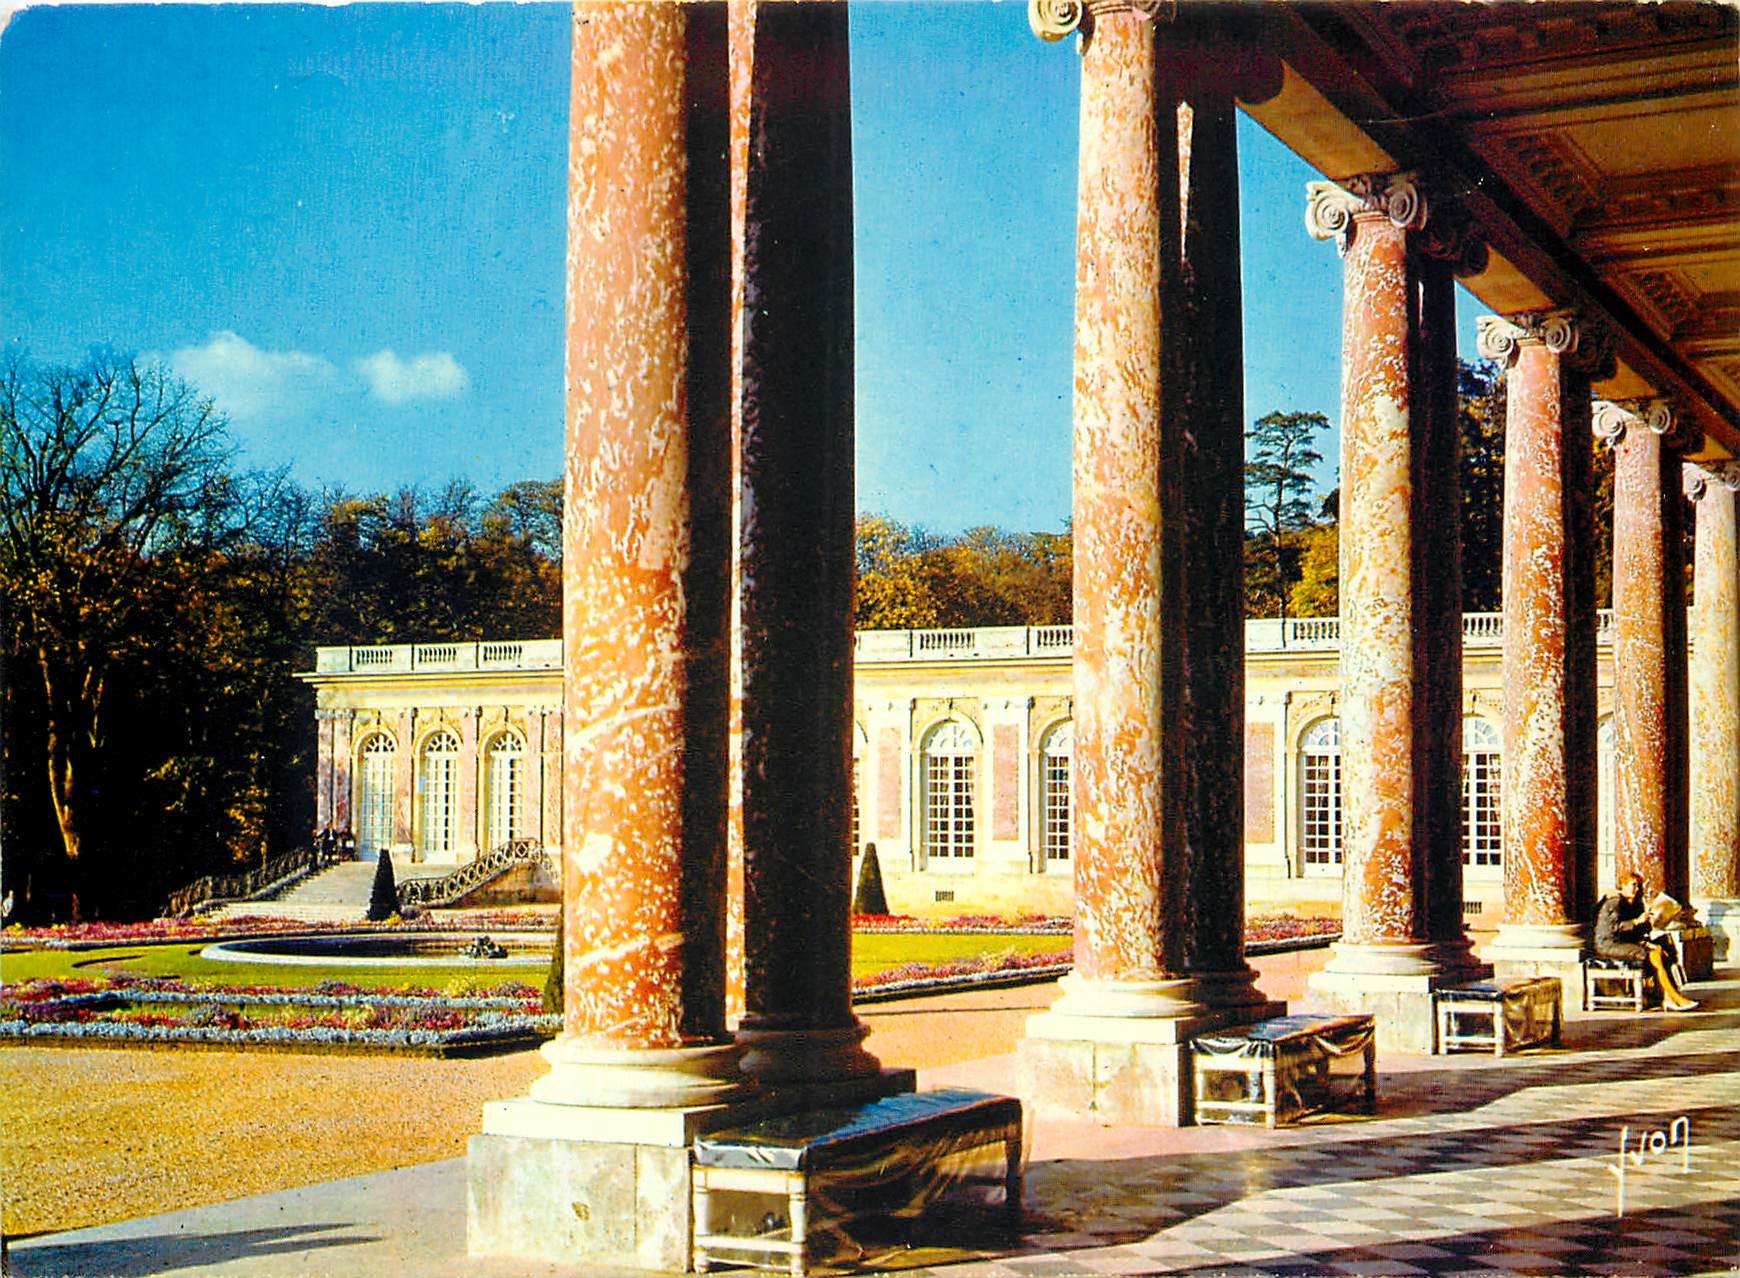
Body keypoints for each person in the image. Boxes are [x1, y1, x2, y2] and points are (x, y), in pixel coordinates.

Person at [1594, 872, 1697, 1011]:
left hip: (1624, 943)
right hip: (1609, 944)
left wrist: (1649, 922)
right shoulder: (1615, 903)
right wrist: (1637, 921)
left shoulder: (1636, 904)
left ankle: (1669, 996)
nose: (1636, 889)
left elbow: (1636, 932)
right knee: (1649, 954)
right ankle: (1671, 997)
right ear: (1623, 886)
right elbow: (1615, 928)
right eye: (1633, 885)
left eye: (1638, 886)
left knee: (1661, 948)